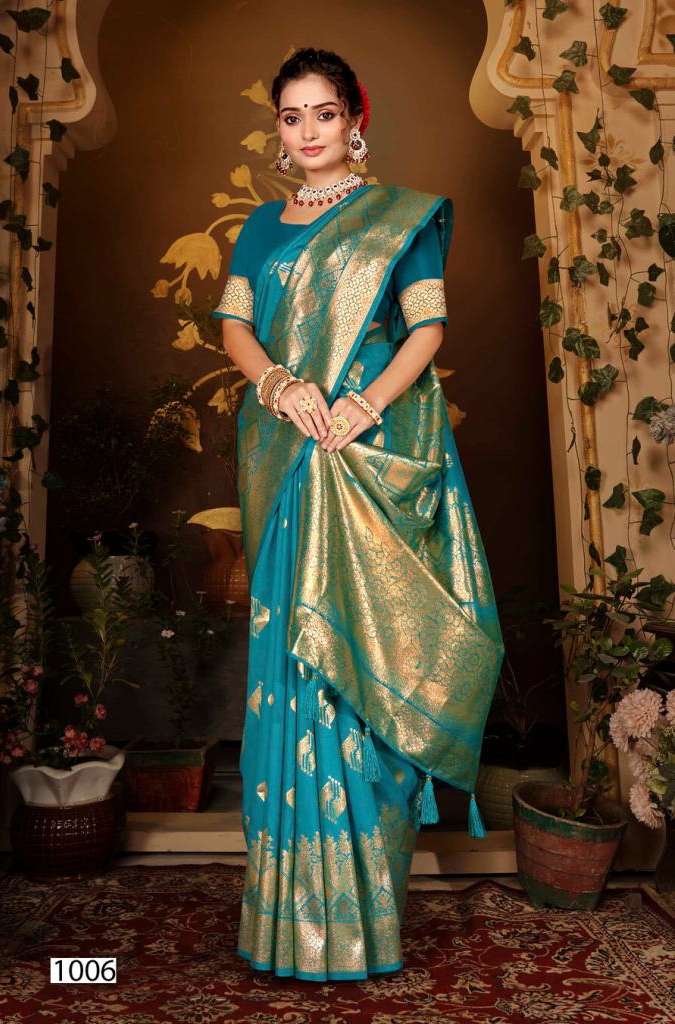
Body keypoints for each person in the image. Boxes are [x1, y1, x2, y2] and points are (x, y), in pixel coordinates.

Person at [212, 47, 505, 982]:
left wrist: (364, 405)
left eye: (324, 113)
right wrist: (280, 385)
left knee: (358, 664)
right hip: (289, 458)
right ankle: (287, 922)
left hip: (363, 456)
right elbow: (235, 326)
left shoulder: (399, 218)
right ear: (278, 128)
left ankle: (359, 921)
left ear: (355, 121)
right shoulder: (261, 226)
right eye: (291, 115)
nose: (308, 131)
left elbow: (427, 329)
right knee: (290, 663)